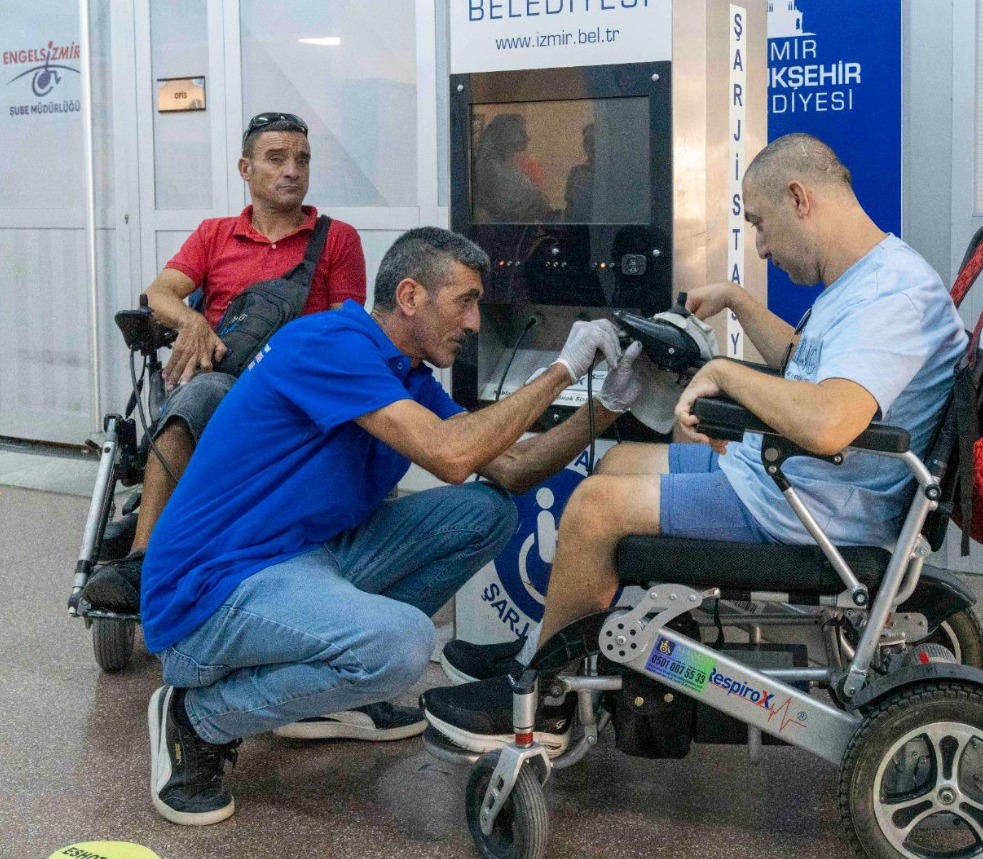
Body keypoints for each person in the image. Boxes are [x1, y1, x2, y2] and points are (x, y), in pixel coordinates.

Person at [424, 133, 970, 753]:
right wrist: (737, 302)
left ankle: (545, 704)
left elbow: (828, 423)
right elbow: (805, 362)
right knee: (622, 458)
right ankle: (550, 649)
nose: (760, 245)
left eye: (761, 226)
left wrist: (724, 375)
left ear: (800, 198)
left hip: (813, 513)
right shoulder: (873, 278)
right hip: (802, 482)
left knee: (595, 507)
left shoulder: (889, 298)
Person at [143, 226, 643, 826]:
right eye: (465, 300)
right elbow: (450, 454)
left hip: (308, 557)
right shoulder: (329, 344)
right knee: (402, 646)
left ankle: (326, 690)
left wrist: (609, 404)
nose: (476, 322)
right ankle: (198, 718)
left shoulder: (406, 376)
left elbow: (507, 470)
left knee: (483, 513)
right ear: (410, 296)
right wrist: (562, 369)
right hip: (213, 591)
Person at [81, 111, 367, 613]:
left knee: (202, 395)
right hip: (218, 386)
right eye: (276, 159)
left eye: (301, 159)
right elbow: (159, 292)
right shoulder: (215, 234)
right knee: (199, 392)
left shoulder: (337, 240)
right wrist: (192, 324)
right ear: (246, 168)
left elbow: (348, 332)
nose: (292, 171)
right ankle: (147, 559)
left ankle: (152, 530)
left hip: (294, 400)